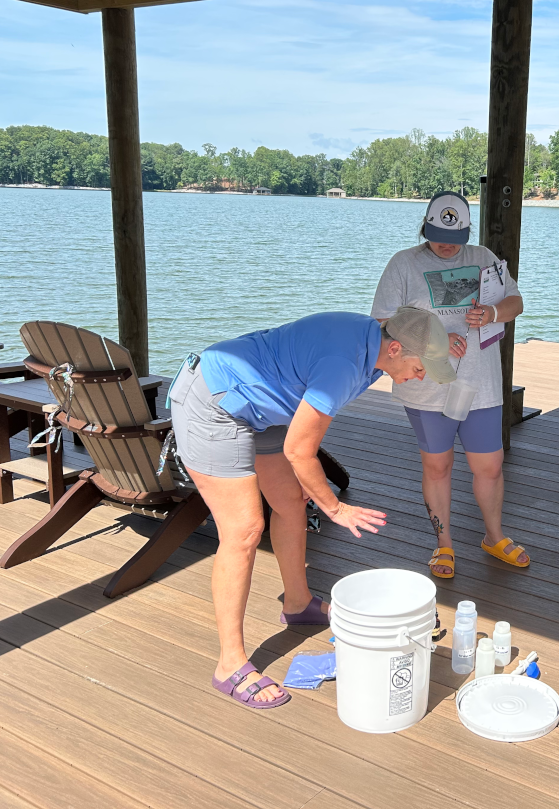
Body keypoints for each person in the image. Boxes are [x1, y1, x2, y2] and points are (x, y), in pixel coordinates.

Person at [168, 307, 455, 709]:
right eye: (421, 366)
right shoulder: (344, 365)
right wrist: (336, 508)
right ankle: (229, 664)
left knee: (290, 503)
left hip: (263, 408)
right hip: (213, 403)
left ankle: (298, 604)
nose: (423, 375)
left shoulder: (379, 342)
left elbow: (400, 318)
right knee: (245, 530)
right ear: (393, 348)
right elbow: (299, 452)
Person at [371, 191, 529, 579]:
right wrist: (433, 340)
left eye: (455, 239)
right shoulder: (402, 264)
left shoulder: (484, 258)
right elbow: (381, 324)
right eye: (438, 235)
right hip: (427, 386)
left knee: (489, 465)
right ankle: (444, 545)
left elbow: (516, 301)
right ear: (424, 227)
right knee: (438, 465)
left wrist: (492, 311)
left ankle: (494, 536)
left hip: (482, 384)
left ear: (468, 233)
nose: (446, 245)